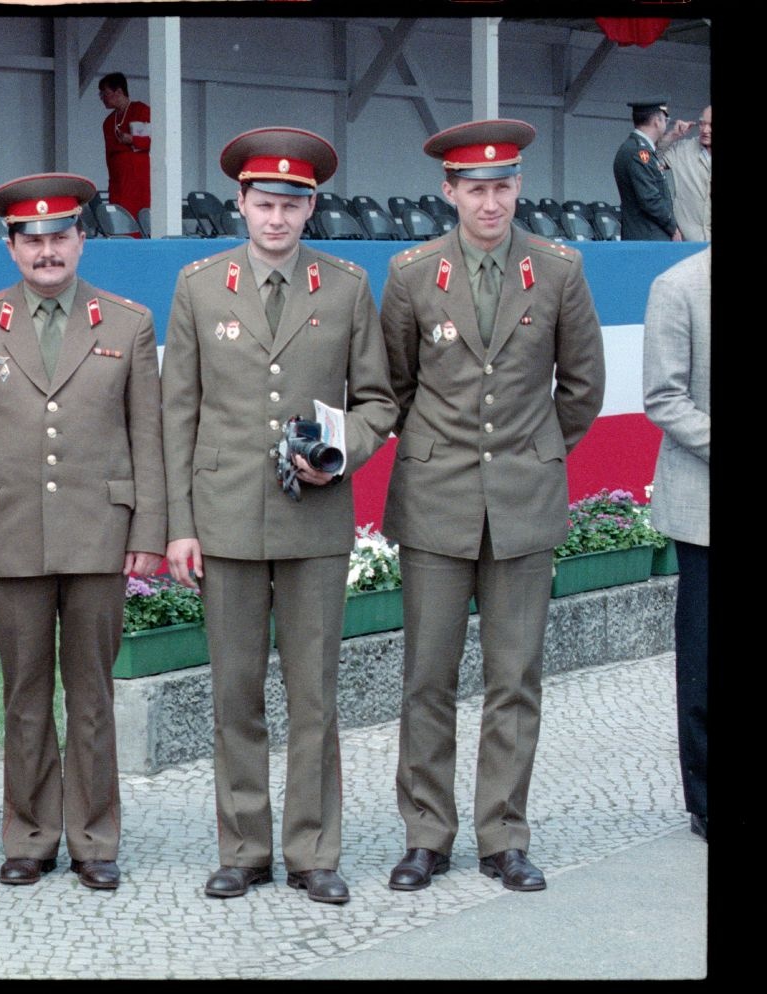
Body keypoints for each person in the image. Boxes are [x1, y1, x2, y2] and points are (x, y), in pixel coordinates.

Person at [161, 128, 397, 906]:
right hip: (226, 519)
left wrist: (339, 450)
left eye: (292, 205)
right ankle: (244, 847)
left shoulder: (347, 286)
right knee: (233, 694)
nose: (277, 219)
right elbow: (180, 413)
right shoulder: (199, 287)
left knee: (314, 696)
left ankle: (314, 851)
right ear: (240, 203)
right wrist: (181, 526)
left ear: (312, 207)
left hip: (314, 522)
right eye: (264, 204)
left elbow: (377, 401)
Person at [380, 119, 606, 894]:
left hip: (522, 500)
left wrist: (533, 456)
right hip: (437, 499)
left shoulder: (559, 269)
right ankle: (426, 835)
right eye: (474, 189)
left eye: (502, 186)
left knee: (515, 676)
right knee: (427, 677)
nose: (490, 201)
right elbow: (397, 385)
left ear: (518, 188)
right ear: (450, 192)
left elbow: (581, 390)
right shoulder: (411, 274)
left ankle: (504, 834)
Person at [0, 173, 165, 891]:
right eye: (31, 239)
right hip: (9, 535)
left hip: (101, 532)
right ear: (9, 248)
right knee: (24, 692)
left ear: (81, 240)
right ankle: (30, 834)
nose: (46, 251)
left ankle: (95, 837)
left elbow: (148, 438)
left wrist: (149, 531)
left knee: (92, 692)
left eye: (59, 236)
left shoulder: (127, 323)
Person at [641, 247, 710, 843]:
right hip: (704, 507)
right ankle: (706, 800)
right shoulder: (678, 286)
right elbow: (665, 397)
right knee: (705, 662)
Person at [613, 98, 681, 241]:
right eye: (665, 120)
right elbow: (650, 199)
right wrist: (673, 228)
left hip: (646, 236)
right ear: (657, 121)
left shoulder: (637, 148)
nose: (665, 124)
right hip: (648, 237)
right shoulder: (638, 152)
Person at [98, 72, 151, 226]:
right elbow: (108, 155)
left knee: (140, 217)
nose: (102, 97)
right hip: (117, 182)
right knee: (119, 220)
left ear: (119, 92)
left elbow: (150, 142)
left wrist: (131, 139)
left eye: (105, 93)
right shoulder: (108, 122)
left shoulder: (140, 110)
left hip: (139, 180)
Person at [661, 105, 710, 241]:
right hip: (687, 245)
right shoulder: (683, 149)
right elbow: (651, 161)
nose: (706, 130)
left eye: (711, 125)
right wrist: (672, 136)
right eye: (702, 124)